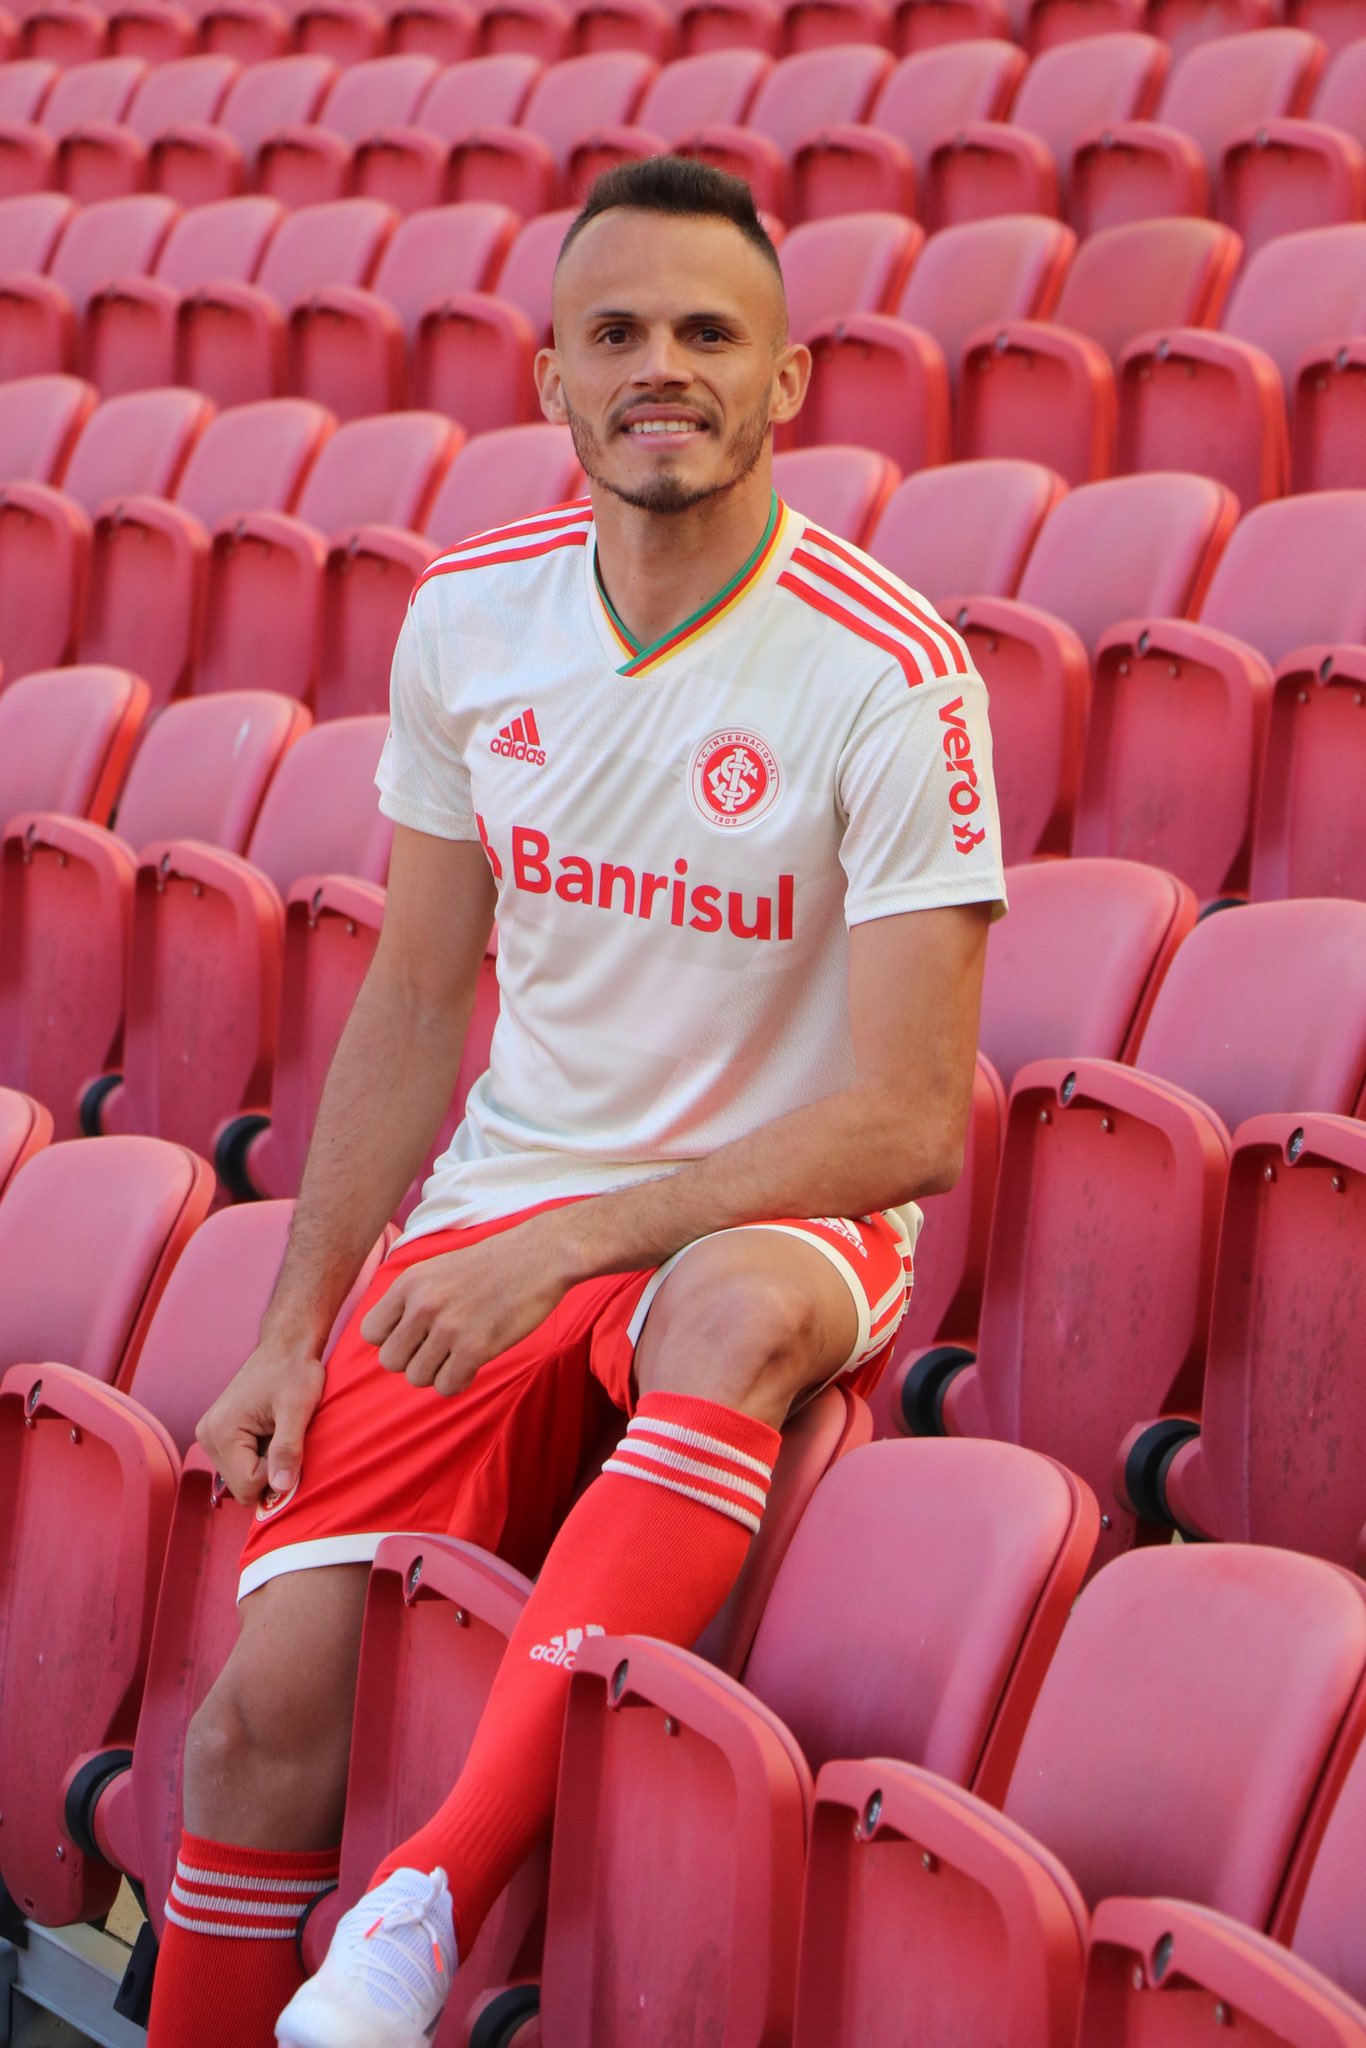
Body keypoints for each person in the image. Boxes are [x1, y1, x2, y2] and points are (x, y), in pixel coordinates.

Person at [143, 155, 1006, 2048]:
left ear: (784, 379)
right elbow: (413, 996)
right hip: (504, 1206)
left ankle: (429, 1900)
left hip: (768, 1210)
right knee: (249, 1733)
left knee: (733, 1306)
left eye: (708, 332)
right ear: (551, 379)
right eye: (614, 333)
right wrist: (294, 1327)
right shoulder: (469, 615)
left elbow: (909, 1121)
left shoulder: (892, 672)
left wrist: (572, 1246)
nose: (660, 367)